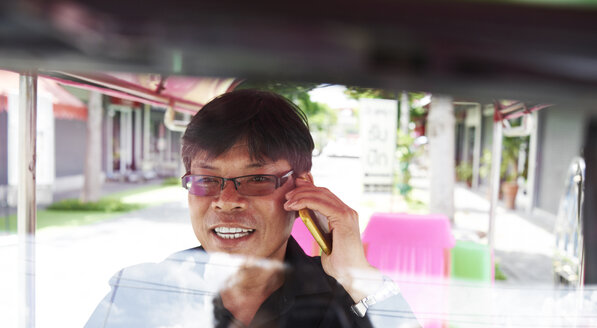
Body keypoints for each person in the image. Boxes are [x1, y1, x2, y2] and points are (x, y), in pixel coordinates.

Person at [85, 89, 419, 328]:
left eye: (256, 178)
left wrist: (359, 278)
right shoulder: (145, 291)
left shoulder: (350, 300)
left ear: (302, 187)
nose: (226, 200)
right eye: (206, 180)